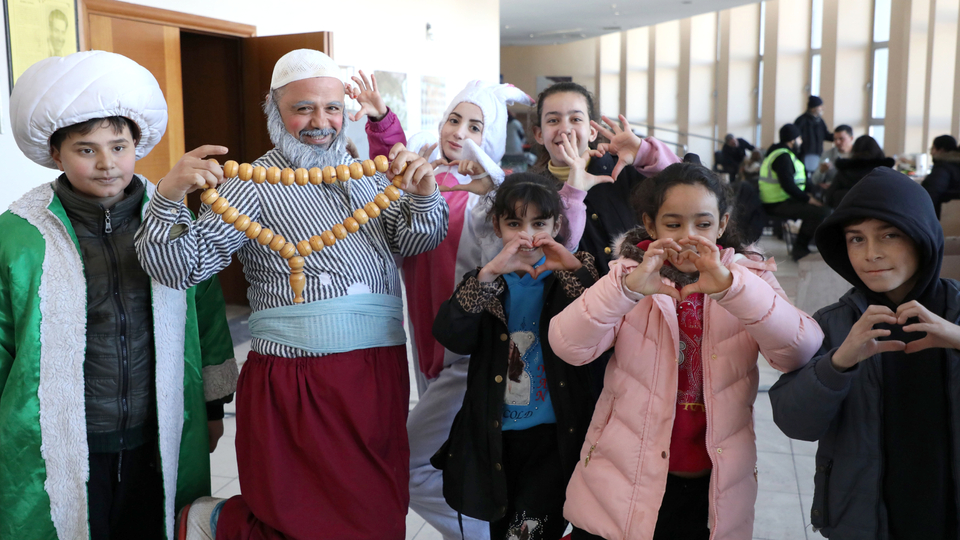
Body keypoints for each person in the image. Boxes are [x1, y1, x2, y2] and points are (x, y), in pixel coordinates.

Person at [136, 49, 449, 540]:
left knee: (381, 513)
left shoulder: (370, 174)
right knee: (304, 520)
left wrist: (425, 191)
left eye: (331, 109)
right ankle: (214, 522)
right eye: (303, 108)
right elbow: (178, 267)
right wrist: (170, 195)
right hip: (299, 376)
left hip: (379, 372)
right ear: (274, 113)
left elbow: (418, 240)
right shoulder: (250, 184)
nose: (319, 122)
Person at [2, 50, 238, 539]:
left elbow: (207, 316)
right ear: (55, 154)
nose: (107, 164)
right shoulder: (18, 237)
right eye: (86, 149)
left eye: (119, 146)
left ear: (139, 144)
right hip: (65, 436)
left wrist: (214, 409)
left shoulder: (174, 223)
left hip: (157, 431)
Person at [548, 163, 823, 540]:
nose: (688, 237)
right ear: (651, 225)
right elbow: (569, 346)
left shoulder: (750, 279)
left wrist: (732, 289)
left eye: (703, 224)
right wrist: (627, 288)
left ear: (722, 225)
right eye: (674, 224)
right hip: (623, 480)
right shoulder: (628, 275)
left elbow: (800, 350)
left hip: (712, 487)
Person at [381, 81, 556, 540]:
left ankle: (480, 532)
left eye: (475, 126)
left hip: (469, 358)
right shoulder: (430, 181)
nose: (458, 133)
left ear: (492, 138)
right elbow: (399, 155)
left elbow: (544, 220)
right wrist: (380, 117)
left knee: (410, 466)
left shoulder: (494, 205)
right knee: (449, 459)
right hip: (429, 347)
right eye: (453, 120)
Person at [769, 168, 960, 538]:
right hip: (863, 520)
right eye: (856, 239)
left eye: (889, 235)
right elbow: (794, 423)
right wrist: (838, 362)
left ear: (922, 237)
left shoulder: (956, 310)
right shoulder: (833, 324)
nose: (871, 254)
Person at [431, 174, 598, 540]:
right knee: (503, 530)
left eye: (539, 223)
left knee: (527, 534)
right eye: (514, 224)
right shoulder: (489, 281)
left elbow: (605, 328)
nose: (527, 235)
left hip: (554, 440)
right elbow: (451, 335)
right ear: (497, 226)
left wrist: (571, 267)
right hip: (496, 439)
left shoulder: (572, 275)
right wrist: (488, 274)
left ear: (556, 225)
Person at [759, 123, 831, 261]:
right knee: (821, 212)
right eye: (799, 139)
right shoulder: (783, 157)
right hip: (776, 203)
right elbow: (788, 186)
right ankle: (800, 248)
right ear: (792, 140)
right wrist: (809, 199)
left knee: (821, 209)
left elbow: (798, 182)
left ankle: (801, 246)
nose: (801, 142)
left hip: (780, 200)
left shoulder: (782, 154)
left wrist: (814, 189)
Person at [824, 135, 893, 208]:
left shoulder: (845, 169)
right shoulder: (885, 172)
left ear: (854, 151)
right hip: (879, 215)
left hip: (848, 215)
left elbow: (829, 198)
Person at [921, 134, 960, 219]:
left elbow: (931, 193)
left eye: (933, 148)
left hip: (941, 219)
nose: (931, 152)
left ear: (941, 150)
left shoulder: (943, 168)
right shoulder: (955, 166)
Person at [794, 95, 834, 175]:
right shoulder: (801, 121)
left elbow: (825, 135)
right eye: (820, 106)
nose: (823, 108)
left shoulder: (820, 121)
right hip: (804, 156)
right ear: (813, 108)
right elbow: (795, 138)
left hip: (818, 155)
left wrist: (837, 137)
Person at [811, 125, 854, 189]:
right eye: (835, 139)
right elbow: (814, 180)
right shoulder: (827, 154)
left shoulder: (857, 153)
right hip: (833, 191)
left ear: (851, 138)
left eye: (841, 139)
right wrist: (822, 171)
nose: (837, 142)